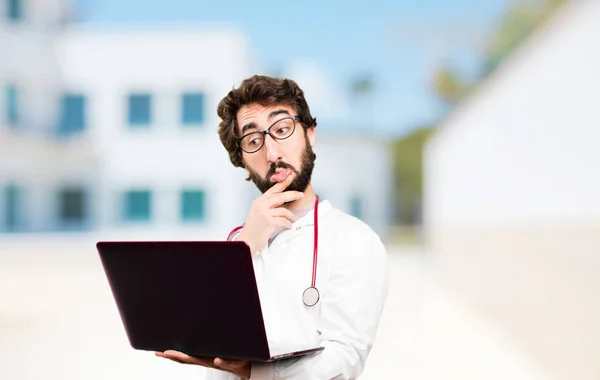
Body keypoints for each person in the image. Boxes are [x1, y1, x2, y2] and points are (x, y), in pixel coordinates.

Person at [155, 75, 389, 379]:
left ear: (309, 134)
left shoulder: (355, 241)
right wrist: (244, 249)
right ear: (242, 160)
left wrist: (254, 370)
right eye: (254, 141)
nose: (272, 154)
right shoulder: (236, 243)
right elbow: (200, 327)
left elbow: (344, 360)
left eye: (282, 130)